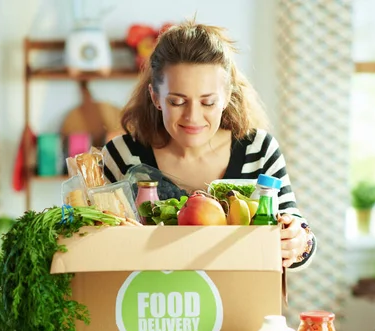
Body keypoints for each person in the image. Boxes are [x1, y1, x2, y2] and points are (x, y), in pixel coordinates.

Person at [102, 20, 316, 271]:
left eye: (208, 102)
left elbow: (296, 231)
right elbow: (95, 247)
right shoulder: (121, 155)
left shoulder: (259, 150)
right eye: (177, 102)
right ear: (155, 97)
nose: (192, 117)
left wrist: (299, 241)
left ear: (226, 97)